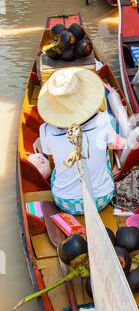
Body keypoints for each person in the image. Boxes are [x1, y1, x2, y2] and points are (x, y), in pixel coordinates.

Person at [37, 67, 115, 215]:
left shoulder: (45, 129)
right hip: (102, 198)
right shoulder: (105, 120)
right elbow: (110, 152)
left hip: (65, 202)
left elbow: (52, 162)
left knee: (56, 168)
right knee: (104, 153)